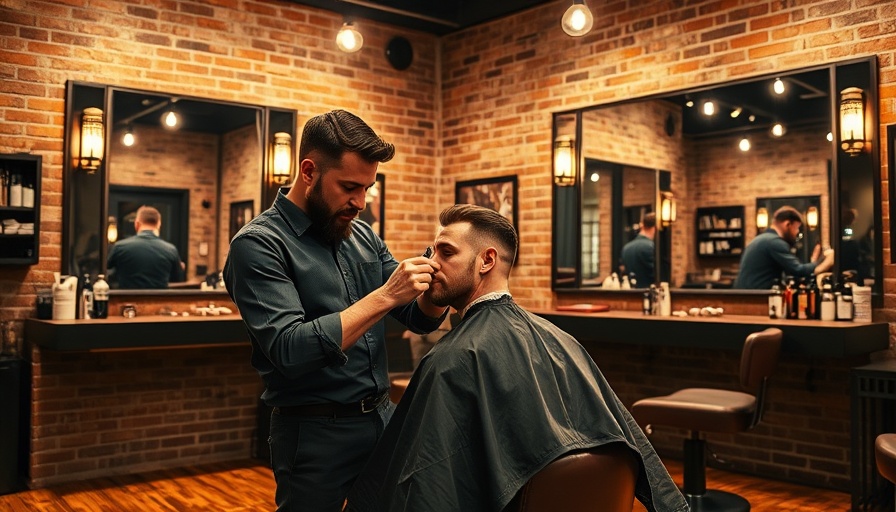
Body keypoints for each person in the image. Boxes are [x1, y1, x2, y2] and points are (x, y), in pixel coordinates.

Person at [346, 204, 688, 512]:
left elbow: (427, 482)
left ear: (487, 260)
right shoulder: (560, 340)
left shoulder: (451, 359)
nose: (432, 263)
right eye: (432, 251)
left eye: (446, 252)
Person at [222, 110, 448, 512]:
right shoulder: (258, 244)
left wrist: (441, 281)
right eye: (349, 187)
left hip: (381, 418)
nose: (359, 202)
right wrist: (385, 295)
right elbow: (291, 348)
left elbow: (417, 317)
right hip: (313, 434)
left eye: (367, 189)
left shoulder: (362, 236)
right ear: (309, 171)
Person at [733, 205, 834, 289]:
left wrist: (814, 262)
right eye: (797, 228)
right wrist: (826, 260)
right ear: (788, 224)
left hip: (745, 296)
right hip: (755, 299)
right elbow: (798, 270)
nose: (797, 233)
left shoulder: (762, 239)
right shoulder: (774, 242)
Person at [106, 205, 185, 289]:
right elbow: (178, 278)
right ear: (159, 224)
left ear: (136, 224)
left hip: (127, 296)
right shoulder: (170, 249)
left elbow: (106, 273)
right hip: (158, 297)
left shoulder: (120, 247)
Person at [620, 212, 656, 287]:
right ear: (654, 228)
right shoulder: (651, 247)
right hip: (649, 290)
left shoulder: (626, 248)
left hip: (631, 292)